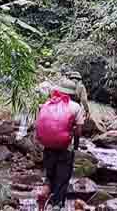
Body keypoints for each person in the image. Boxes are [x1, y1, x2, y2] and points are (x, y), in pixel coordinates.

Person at [36, 78, 86, 211]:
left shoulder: (48, 104)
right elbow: (79, 130)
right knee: (62, 180)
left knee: (49, 176)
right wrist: (75, 146)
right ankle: (57, 205)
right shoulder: (75, 107)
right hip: (65, 149)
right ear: (72, 93)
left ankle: (43, 195)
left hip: (48, 147)